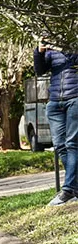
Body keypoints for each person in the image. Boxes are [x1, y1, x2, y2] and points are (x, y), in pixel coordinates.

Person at [35, 38, 78, 206]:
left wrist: (65, 46)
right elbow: (40, 70)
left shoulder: (72, 41)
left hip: (74, 97)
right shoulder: (50, 50)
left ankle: (68, 189)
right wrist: (39, 52)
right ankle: (75, 188)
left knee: (72, 143)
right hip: (54, 101)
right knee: (60, 145)